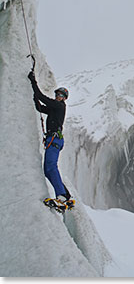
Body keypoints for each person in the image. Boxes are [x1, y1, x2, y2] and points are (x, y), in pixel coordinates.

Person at [28, 70, 73, 210]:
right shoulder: (55, 109)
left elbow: (42, 98)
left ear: (64, 98)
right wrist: (33, 97)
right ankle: (66, 194)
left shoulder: (59, 106)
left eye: (60, 95)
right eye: (57, 94)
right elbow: (40, 107)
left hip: (54, 139)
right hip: (53, 140)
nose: (57, 97)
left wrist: (33, 81)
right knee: (47, 170)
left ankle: (61, 196)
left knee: (51, 167)